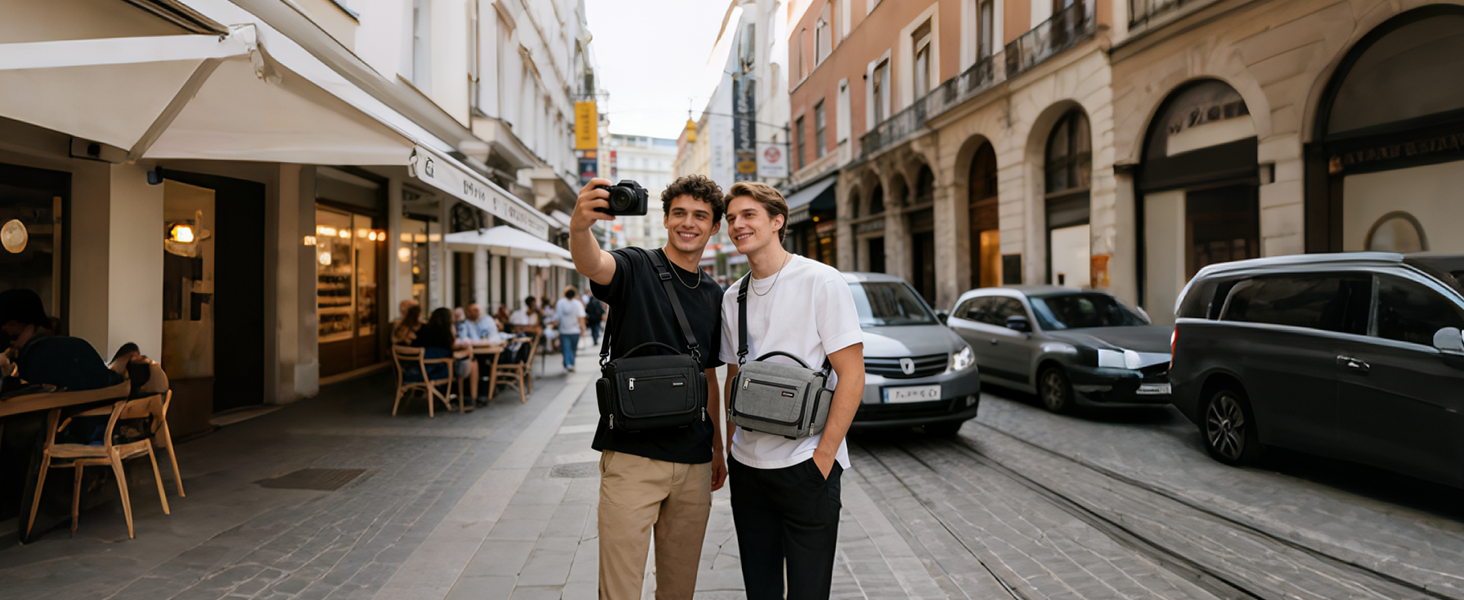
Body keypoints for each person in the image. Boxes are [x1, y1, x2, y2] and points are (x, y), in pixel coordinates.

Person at [571, 174, 728, 600]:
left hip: (694, 463)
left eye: (700, 215)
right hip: (632, 459)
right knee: (620, 590)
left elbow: (709, 376)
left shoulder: (716, 294)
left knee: (679, 590)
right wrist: (580, 227)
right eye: (679, 213)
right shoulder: (636, 266)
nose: (688, 223)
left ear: (715, 227)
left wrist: (716, 449)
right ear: (665, 219)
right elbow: (593, 264)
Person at [717, 181, 865, 600]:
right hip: (749, 470)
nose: (737, 225)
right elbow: (734, 377)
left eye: (749, 215)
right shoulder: (734, 297)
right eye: (731, 218)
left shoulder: (821, 281)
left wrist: (824, 457)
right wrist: (730, 451)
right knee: (760, 591)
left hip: (807, 465)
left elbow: (852, 375)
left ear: (777, 221)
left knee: (808, 592)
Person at [412, 307, 477, 401]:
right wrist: (467, 348)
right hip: (437, 371)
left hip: (418, 370)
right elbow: (453, 346)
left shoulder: (424, 330)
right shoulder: (445, 333)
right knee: (472, 362)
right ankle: (471, 397)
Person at [553, 287, 587, 372]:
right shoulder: (578, 303)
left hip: (564, 330)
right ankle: (570, 363)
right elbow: (581, 318)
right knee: (573, 348)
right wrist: (583, 329)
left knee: (566, 348)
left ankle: (568, 364)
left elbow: (557, 318)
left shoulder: (560, 303)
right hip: (575, 331)